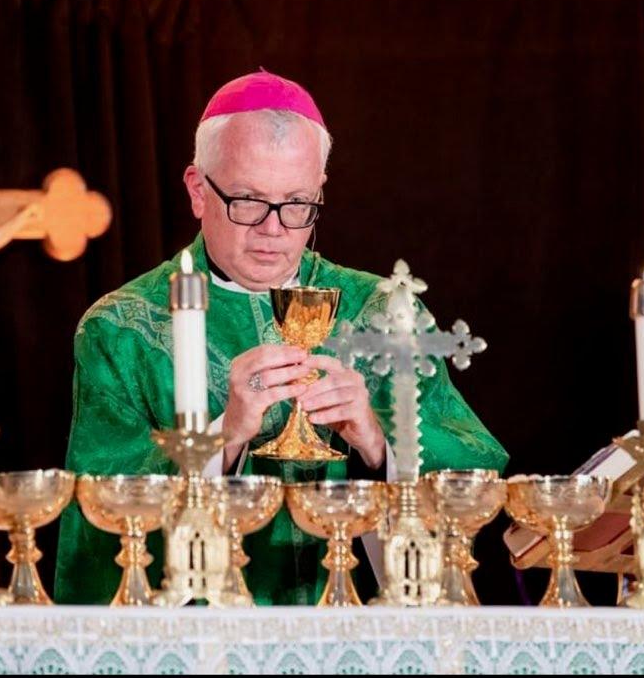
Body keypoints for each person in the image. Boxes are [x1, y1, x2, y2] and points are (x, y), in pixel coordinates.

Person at [54, 70, 508, 605]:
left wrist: (377, 442)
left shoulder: (387, 314)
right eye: (247, 200)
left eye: (298, 205)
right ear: (198, 190)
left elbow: (475, 477)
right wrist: (221, 438)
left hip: (361, 641)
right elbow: (98, 522)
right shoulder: (120, 329)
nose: (274, 230)